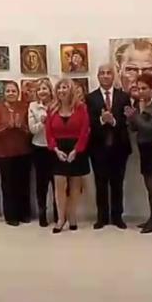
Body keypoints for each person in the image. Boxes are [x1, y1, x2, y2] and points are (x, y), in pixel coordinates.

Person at [87, 64, 132, 230]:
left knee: (117, 183)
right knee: (100, 183)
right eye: (102, 73)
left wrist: (112, 121)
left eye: (108, 73)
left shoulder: (123, 96)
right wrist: (101, 120)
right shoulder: (90, 97)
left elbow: (126, 121)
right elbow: (88, 122)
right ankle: (102, 217)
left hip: (119, 147)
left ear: (113, 76)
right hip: (98, 148)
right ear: (98, 76)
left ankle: (117, 216)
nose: (105, 76)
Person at [47, 78, 90, 233]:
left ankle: (72, 217)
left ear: (70, 90)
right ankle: (60, 219)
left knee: (75, 187)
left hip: (77, 150)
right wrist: (56, 150)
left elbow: (85, 131)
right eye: (59, 88)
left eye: (64, 87)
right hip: (58, 151)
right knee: (59, 186)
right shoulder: (52, 109)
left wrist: (76, 150)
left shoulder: (81, 108)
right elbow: (49, 132)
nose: (61, 91)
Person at [125, 74, 152, 234]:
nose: (141, 92)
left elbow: (151, 128)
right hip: (144, 149)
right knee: (149, 187)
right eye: (138, 88)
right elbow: (135, 128)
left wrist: (135, 117)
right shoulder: (138, 104)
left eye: (144, 88)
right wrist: (130, 118)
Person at [0, 81, 33, 226]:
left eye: (13, 91)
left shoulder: (24, 106)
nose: (11, 93)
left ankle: (25, 213)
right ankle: (11, 216)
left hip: (23, 151)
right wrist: (6, 126)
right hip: (4, 153)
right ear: (4, 93)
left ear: (18, 93)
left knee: (24, 184)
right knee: (8, 186)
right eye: (8, 91)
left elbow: (30, 129)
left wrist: (21, 127)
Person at [28, 78, 58, 227]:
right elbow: (32, 129)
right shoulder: (33, 106)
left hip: (56, 148)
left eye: (45, 88)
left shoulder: (57, 105)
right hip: (39, 148)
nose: (42, 91)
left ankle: (58, 214)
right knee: (41, 184)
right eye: (39, 89)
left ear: (50, 90)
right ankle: (42, 214)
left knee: (57, 182)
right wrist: (42, 122)